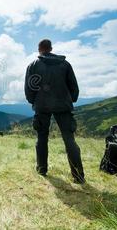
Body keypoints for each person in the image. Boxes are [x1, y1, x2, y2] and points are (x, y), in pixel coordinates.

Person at [24, 39, 85, 184]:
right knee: (69, 140)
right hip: (63, 105)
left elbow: (29, 89)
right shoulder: (65, 65)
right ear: (51, 48)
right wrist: (70, 100)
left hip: (42, 106)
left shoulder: (33, 65)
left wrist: (34, 101)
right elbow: (74, 87)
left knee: (42, 138)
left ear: (39, 49)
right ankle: (78, 176)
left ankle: (42, 169)